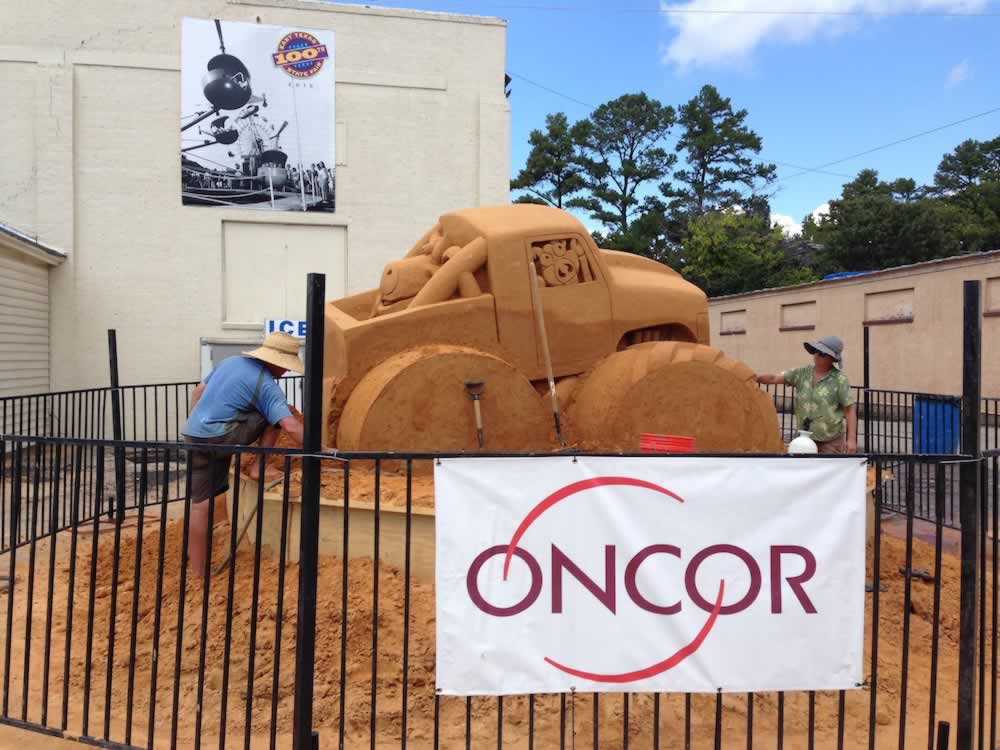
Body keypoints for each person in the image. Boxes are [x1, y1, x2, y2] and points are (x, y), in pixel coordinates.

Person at [181, 332, 305, 576]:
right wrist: (322, 449)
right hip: (220, 439)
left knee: (201, 506)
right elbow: (289, 425)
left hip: (194, 435)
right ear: (276, 361)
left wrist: (197, 426)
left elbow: (197, 393)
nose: (287, 371)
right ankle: (260, 465)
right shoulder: (267, 386)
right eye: (286, 365)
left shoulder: (230, 362)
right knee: (274, 416)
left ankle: (198, 571)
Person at [756, 335, 858, 454]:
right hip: (803, 439)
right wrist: (753, 377)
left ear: (832, 358)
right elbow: (774, 378)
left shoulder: (840, 379)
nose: (817, 355)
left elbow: (849, 409)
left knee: (826, 466)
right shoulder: (801, 373)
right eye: (816, 351)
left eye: (822, 353)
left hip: (830, 441)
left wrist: (851, 439)